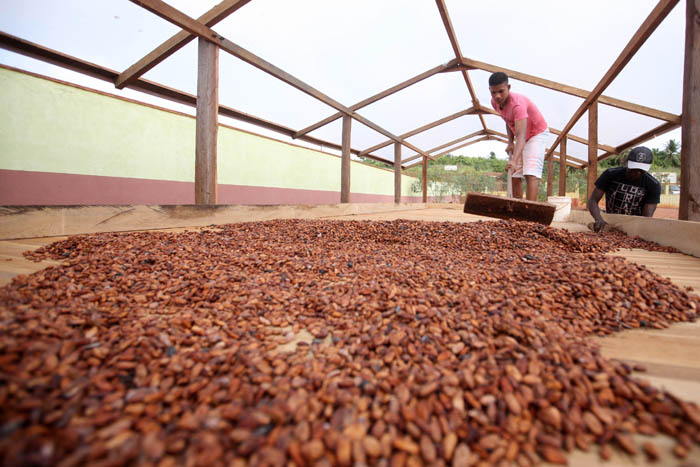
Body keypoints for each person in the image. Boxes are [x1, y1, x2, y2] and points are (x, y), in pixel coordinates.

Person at [488, 72, 549, 201]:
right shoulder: (495, 103)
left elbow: (520, 136)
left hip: (536, 134)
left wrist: (514, 160)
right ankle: (516, 211)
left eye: (501, 91)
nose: (497, 96)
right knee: (515, 174)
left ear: (508, 88)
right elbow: (508, 121)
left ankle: (529, 212)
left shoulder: (518, 105)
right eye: (493, 92)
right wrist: (510, 142)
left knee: (530, 173)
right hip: (522, 136)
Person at [587, 146, 661, 232]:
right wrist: (598, 219)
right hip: (611, 221)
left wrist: (639, 230)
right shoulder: (610, 174)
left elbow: (647, 217)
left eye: (641, 171)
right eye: (633, 169)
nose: (636, 173)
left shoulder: (653, 185)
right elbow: (593, 200)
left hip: (634, 227)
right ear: (627, 163)